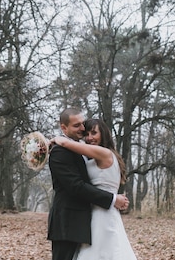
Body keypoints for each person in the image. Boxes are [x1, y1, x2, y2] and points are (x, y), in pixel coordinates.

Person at [47, 108, 130, 260]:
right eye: (77, 126)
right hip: (68, 220)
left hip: (96, 217)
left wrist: (58, 139)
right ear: (64, 128)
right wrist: (112, 198)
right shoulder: (60, 152)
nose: (84, 131)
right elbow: (76, 186)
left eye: (93, 132)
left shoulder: (100, 153)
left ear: (103, 134)